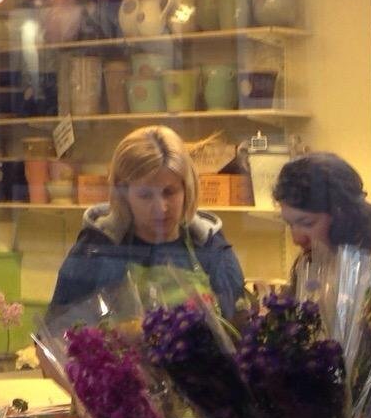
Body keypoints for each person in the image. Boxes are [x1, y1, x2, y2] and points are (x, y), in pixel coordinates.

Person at [50, 126, 245, 313]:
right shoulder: (96, 252)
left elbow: (235, 326)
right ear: (123, 192)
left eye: (169, 192)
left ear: (187, 188)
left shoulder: (211, 250)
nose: (161, 208)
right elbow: (56, 332)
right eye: (145, 195)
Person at [274, 151, 371, 293]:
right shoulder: (307, 268)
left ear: (343, 215)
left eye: (307, 223)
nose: (297, 239)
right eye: (290, 224)